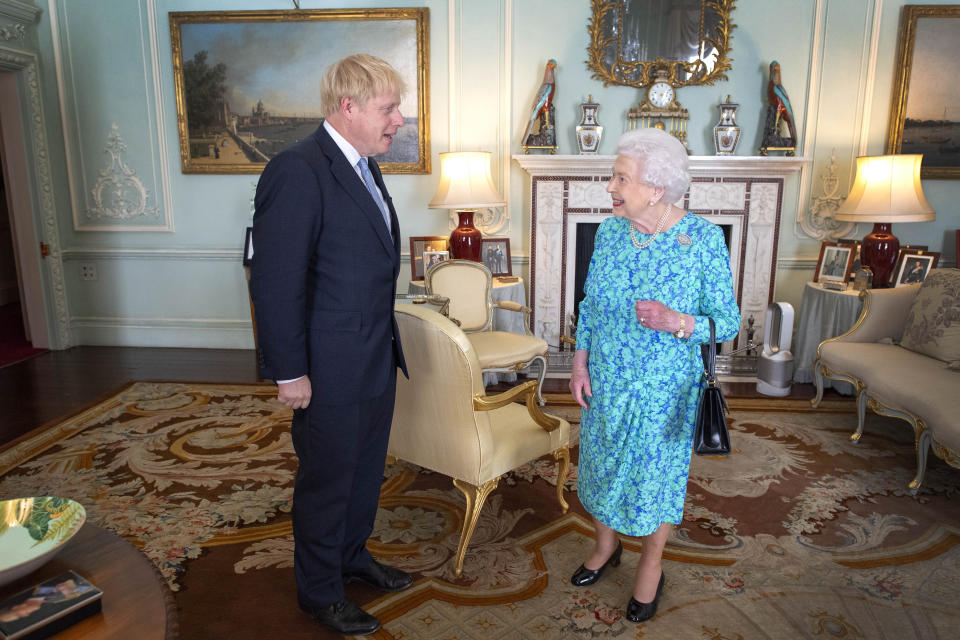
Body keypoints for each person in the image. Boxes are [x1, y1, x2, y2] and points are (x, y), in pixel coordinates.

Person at [249, 54, 411, 637]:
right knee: (327, 479)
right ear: (348, 107)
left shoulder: (365, 166)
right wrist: (289, 372)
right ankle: (319, 591)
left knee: (365, 471)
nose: (399, 119)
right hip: (327, 367)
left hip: (372, 356)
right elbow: (275, 282)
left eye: (397, 107)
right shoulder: (297, 170)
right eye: (387, 108)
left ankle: (351, 557)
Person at [568, 128, 740, 624]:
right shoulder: (609, 231)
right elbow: (591, 304)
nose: (610, 187)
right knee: (599, 466)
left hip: (665, 388)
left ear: (657, 187)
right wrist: (580, 361)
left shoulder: (702, 240)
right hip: (606, 377)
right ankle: (605, 546)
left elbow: (724, 322)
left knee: (653, 480)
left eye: (621, 177)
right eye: (613, 175)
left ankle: (651, 562)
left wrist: (678, 321)